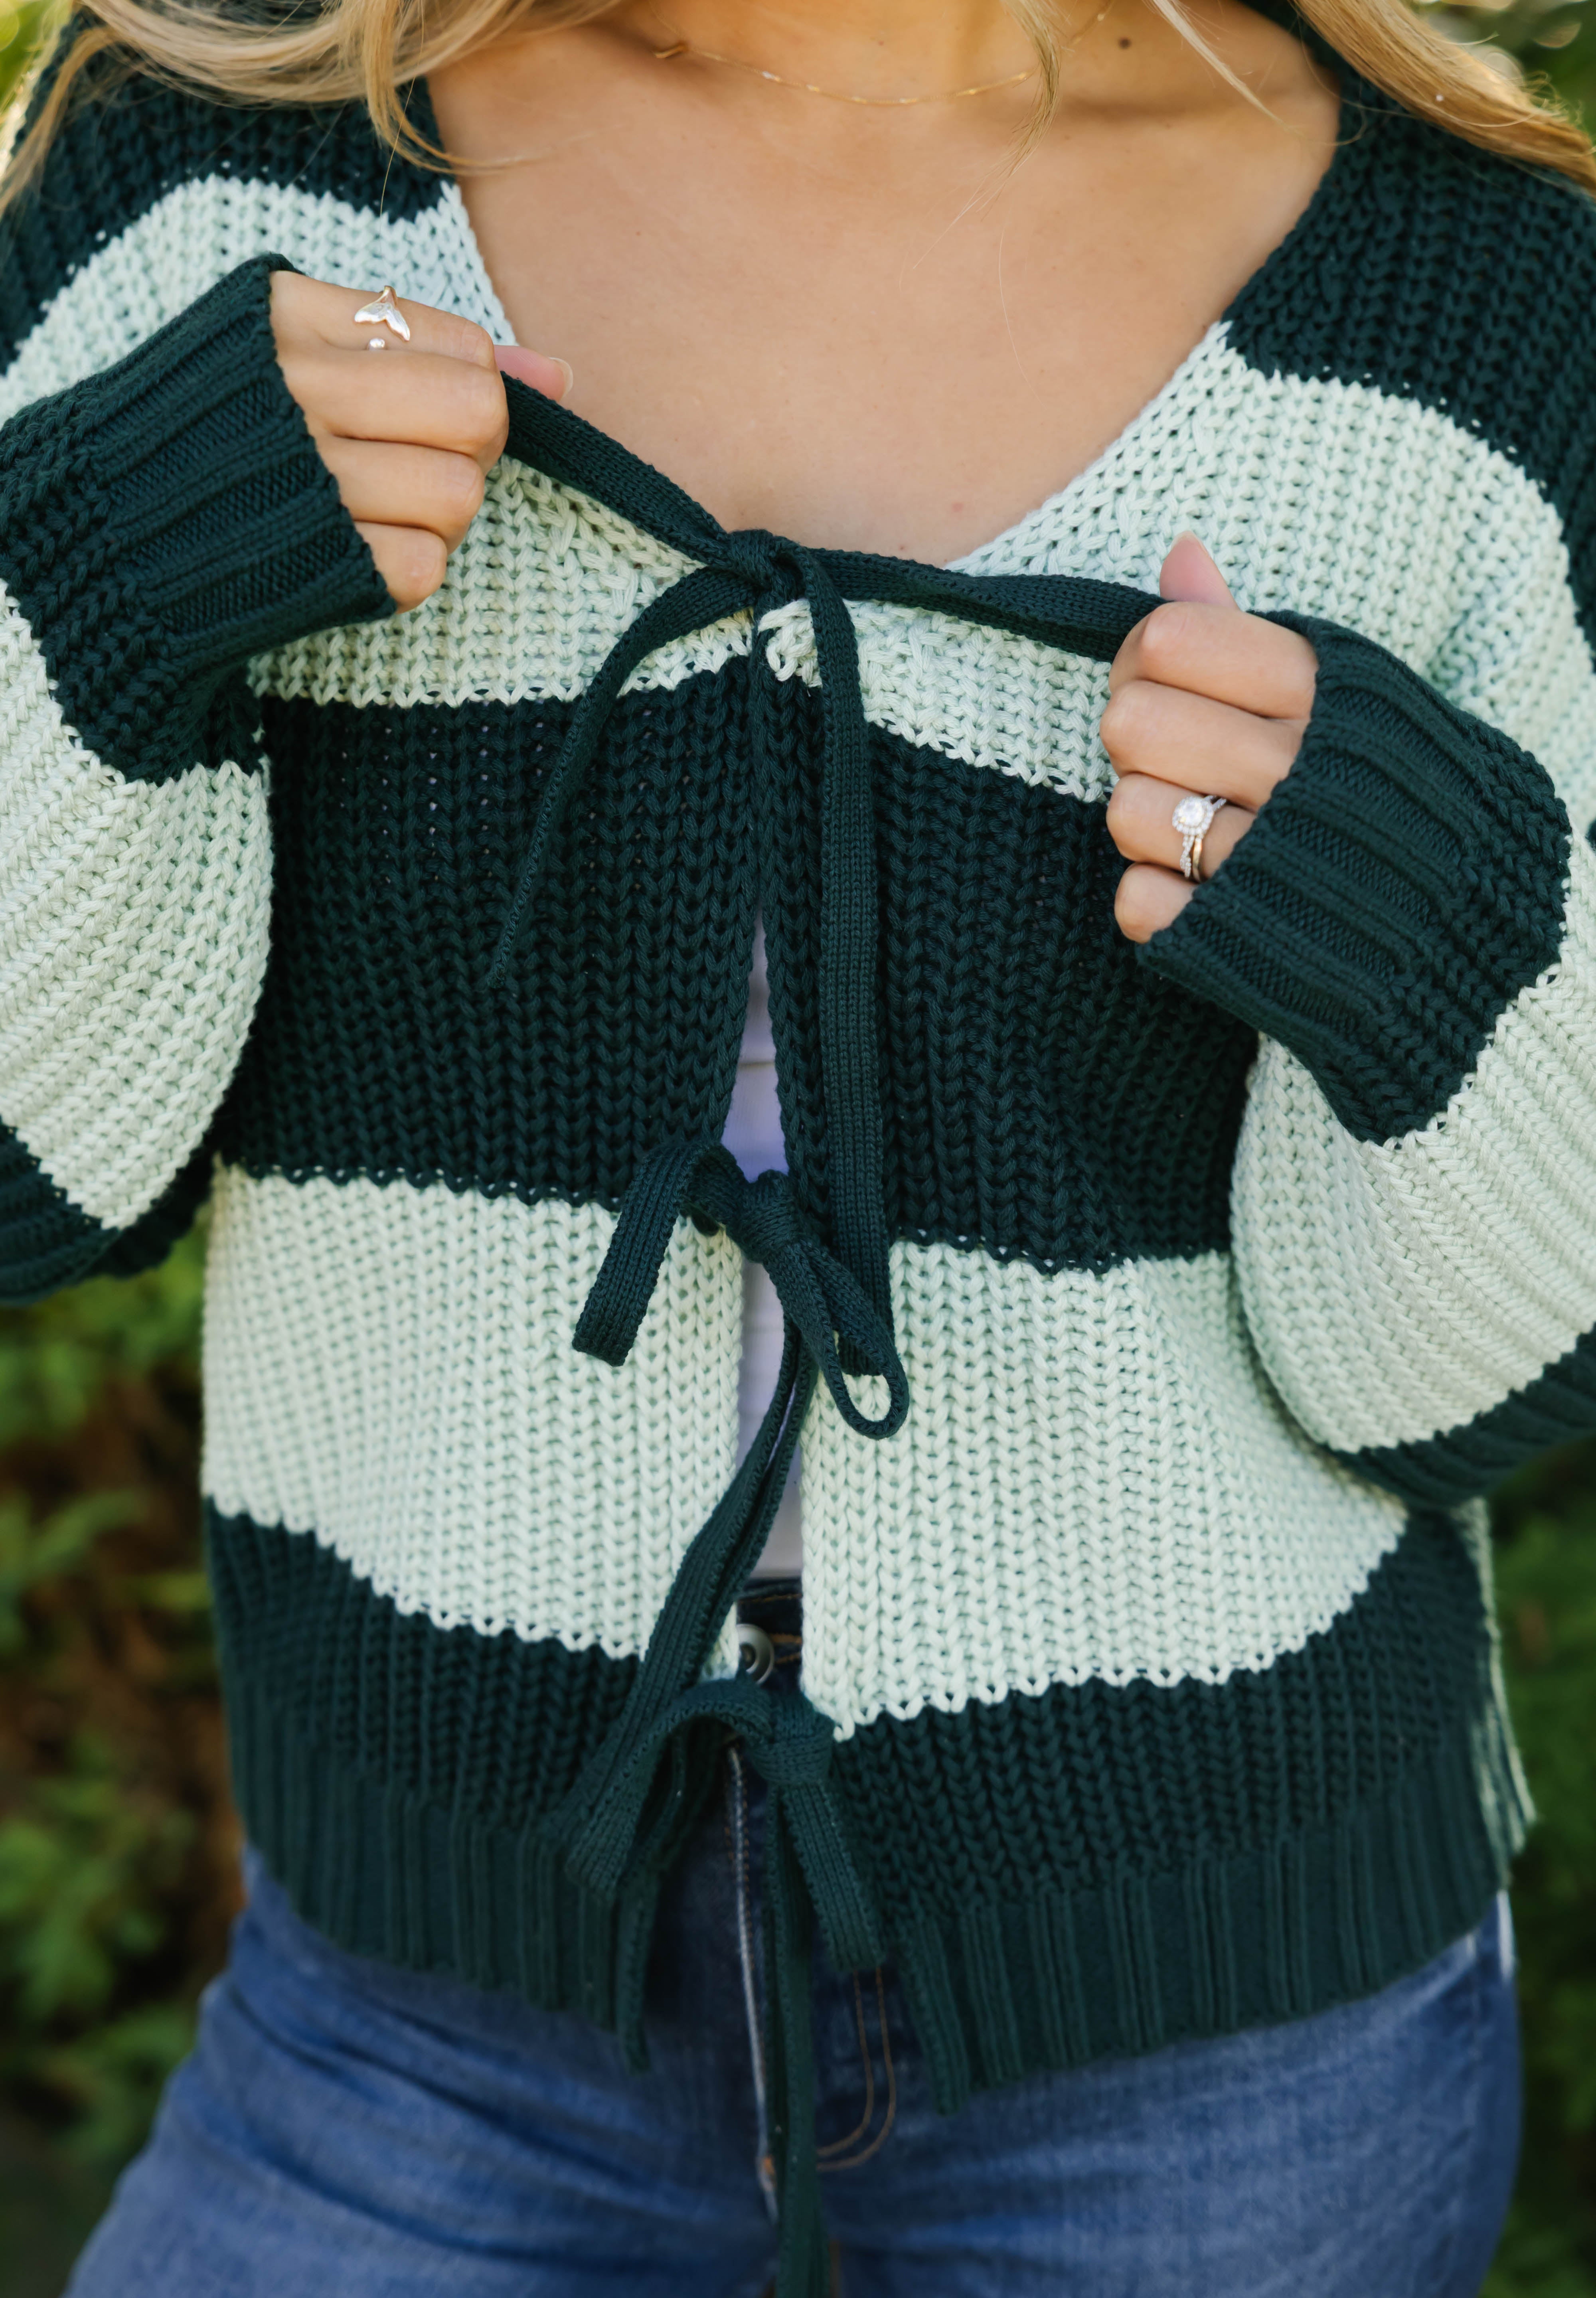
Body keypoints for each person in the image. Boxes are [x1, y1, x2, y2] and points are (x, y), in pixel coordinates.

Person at [1, 0, 1592, 2285]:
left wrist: (1425, 940)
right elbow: (30, 1167)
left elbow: (1464, 1387)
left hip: (1217, 2008)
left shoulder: (1481, 298)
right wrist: (103, 577)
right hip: (423, 2001)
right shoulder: (207, 163)